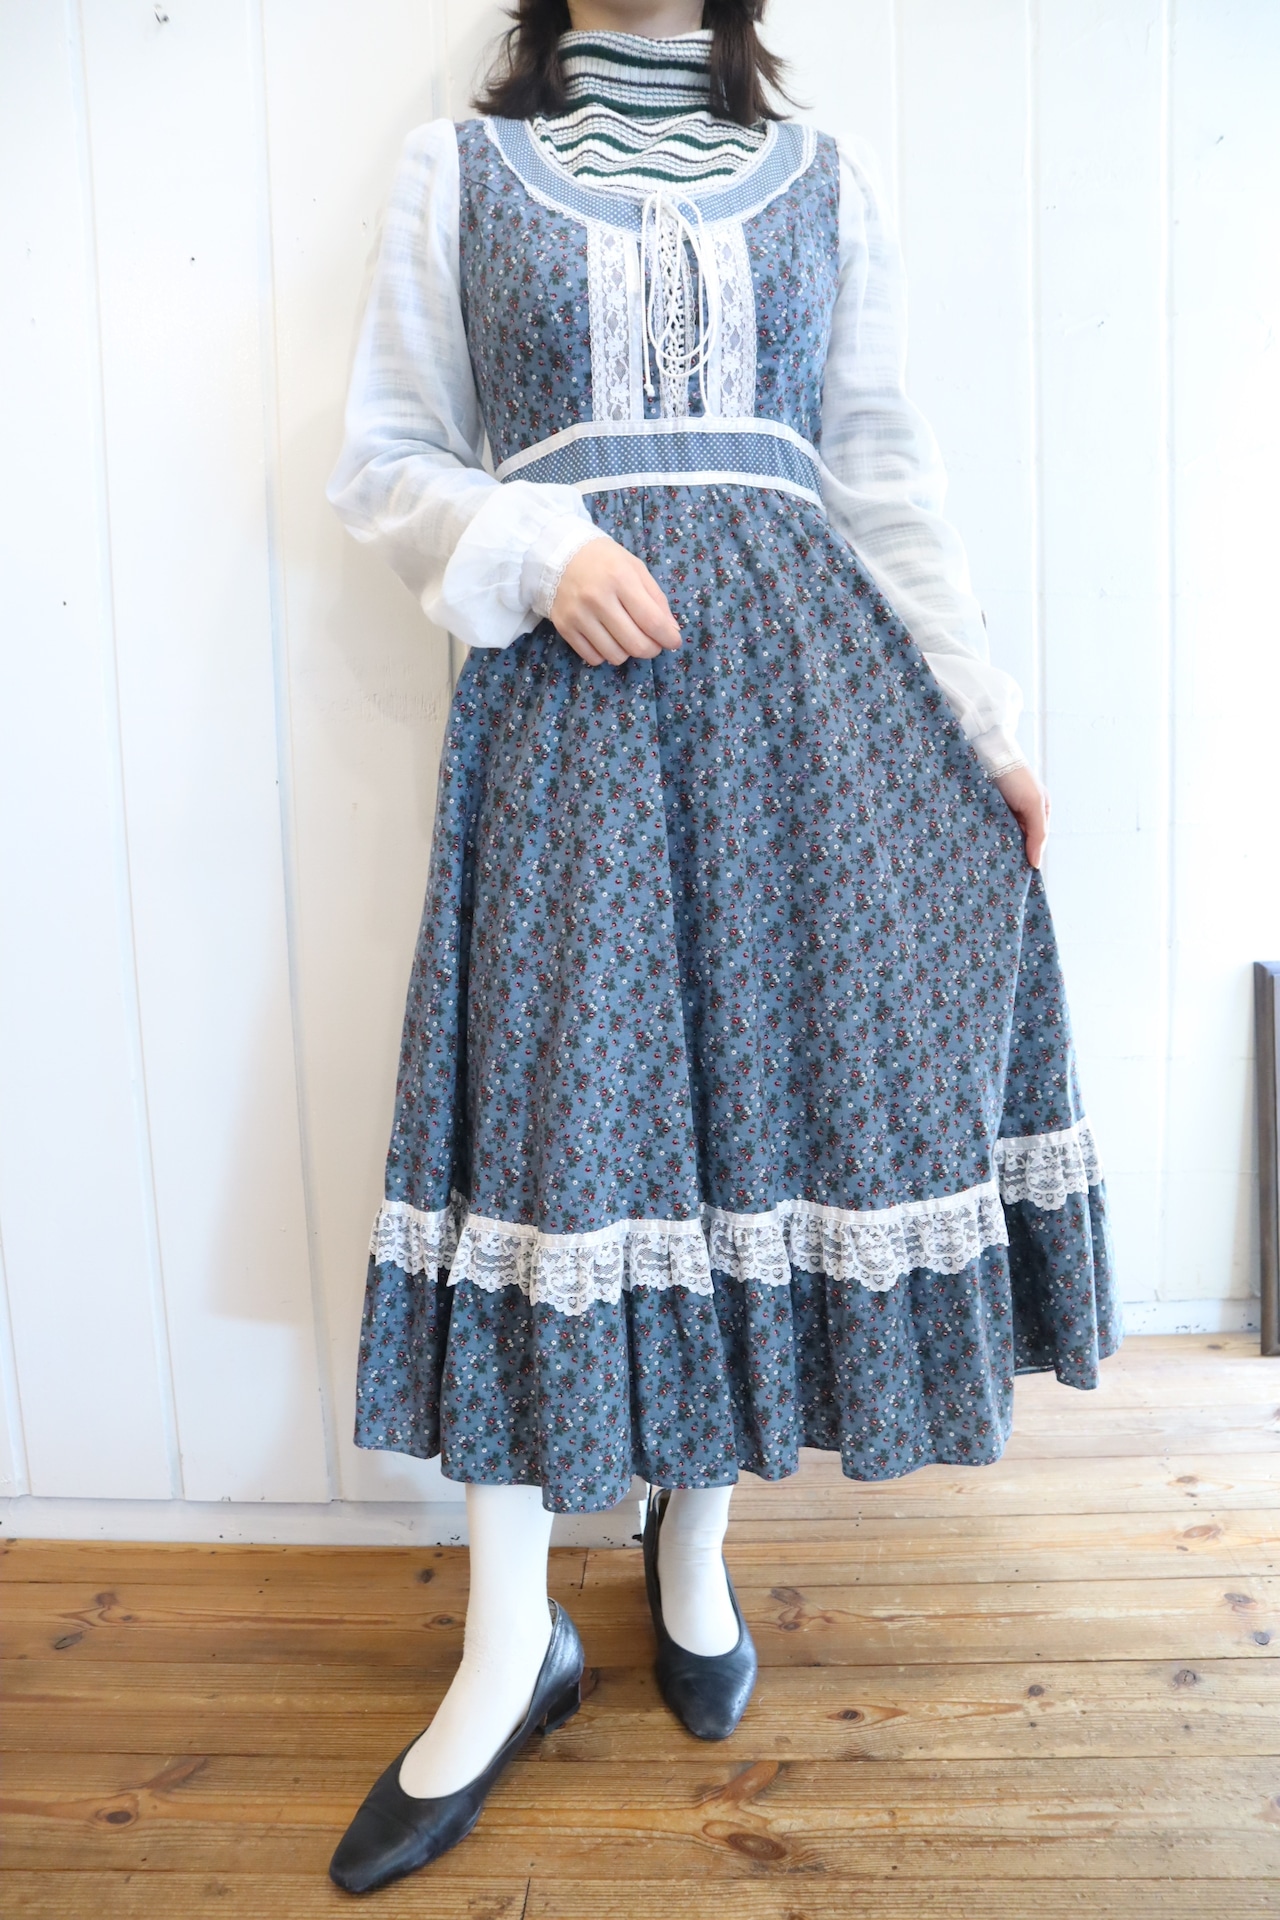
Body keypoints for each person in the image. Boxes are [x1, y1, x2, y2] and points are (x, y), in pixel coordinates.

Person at [325, 0, 1121, 1893]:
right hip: (570, 708)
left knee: (751, 1119)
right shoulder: (461, 171)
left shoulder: (825, 181)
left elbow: (883, 477)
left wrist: (986, 729)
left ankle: (693, 1548)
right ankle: (507, 1641)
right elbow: (386, 458)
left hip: (803, 717)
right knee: (555, 1144)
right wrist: (535, 548)